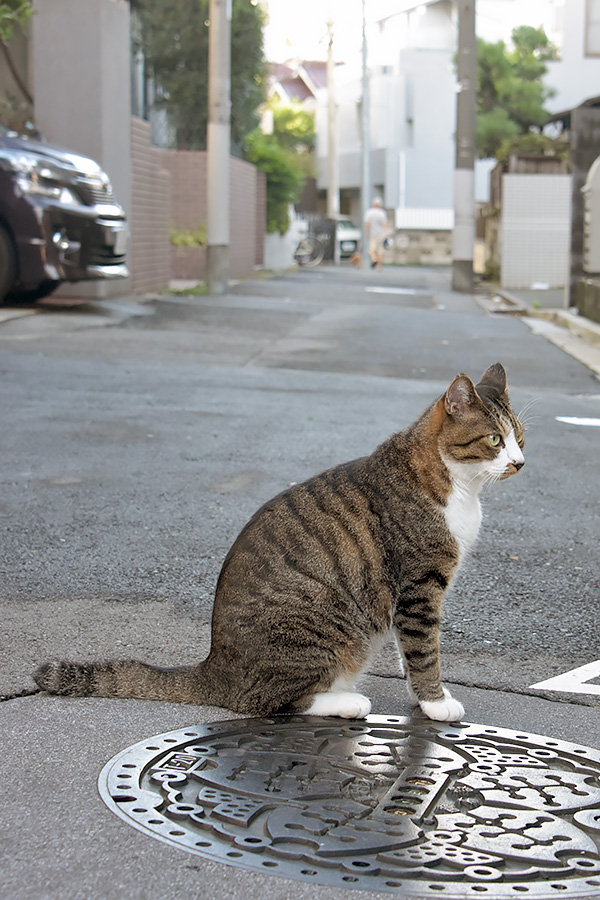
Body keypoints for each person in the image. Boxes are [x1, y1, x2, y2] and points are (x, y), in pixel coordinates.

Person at [364, 197, 390, 270]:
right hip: (381, 234)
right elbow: (385, 224)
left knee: (371, 249)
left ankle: (374, 259)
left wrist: (367, 232)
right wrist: (386, 233)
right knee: (380, 250)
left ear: (373, 204)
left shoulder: (369, 212)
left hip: (373, 234)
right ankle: (379, 266)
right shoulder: (382, 213)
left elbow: (367, 224)